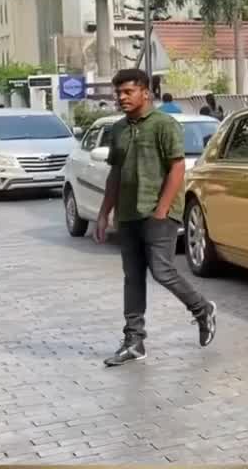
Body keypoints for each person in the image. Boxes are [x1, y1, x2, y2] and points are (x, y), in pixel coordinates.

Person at [95, 69, 217, 367]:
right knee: (132, 277)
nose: (121, 97)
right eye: (119, 93)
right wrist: (104, 212)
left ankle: (202, 310)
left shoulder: (165, 125)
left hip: (159, 211)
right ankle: (134, 340)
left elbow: (177, 168)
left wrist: (163, 208)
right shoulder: (119, 129)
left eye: (128, 92)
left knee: (162, 271)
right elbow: (115, 173)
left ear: (145, 92)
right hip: (128, 213)